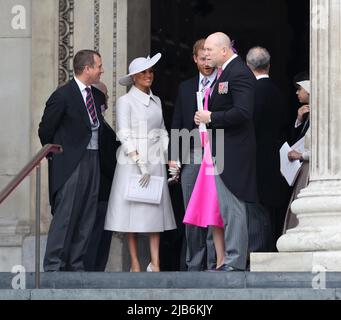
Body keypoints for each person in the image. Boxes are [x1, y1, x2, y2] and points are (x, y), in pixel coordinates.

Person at [38, 49, 119, 271]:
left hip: (94, 160)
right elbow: (45, 130)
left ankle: (76, 264)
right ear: (87, 69)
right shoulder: (63, 95)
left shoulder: (97, 96)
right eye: (99, 65)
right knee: (66, 214)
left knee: (87, 213)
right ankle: (54, 265)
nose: (102, 69)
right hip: (72, 161)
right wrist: (60, 154)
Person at [104, 53, 176, 272]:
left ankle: (156, 262)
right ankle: (135, 262)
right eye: (143, 72)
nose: (148, 75)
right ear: (134, 77)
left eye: (151, 71)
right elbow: (124, 133)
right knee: (131, 213)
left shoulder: (157, 101)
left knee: (154, 211)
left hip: (154, 160)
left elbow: (163, 130)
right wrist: (139, 162)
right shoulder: (125, 101)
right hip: (132, 161)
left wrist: (167, 158)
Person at [195, 32, 257, 271]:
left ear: (224, 50)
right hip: (223, 148)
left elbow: (243, 112)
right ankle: (233, 259)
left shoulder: (239, 73)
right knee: (226, 207)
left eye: (210, 49)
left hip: (234, 151)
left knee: (233, 206)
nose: (206, 53)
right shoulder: (226, 73)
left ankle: (234, 261)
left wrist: (211, 117)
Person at [168, 39, 217, 271]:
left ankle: (214, 263)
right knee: (192, 211)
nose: (207, 62)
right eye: (202, 57)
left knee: (215, 210)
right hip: (192, 152)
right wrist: (175, 159)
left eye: (210, 57)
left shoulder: (223, 83)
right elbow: (178, 121)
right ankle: (194, 264)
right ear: (195, 59)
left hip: (219, 151)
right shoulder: (186, 87)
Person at [246, 46, 289, 252]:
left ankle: (257, 252)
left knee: (257, 207)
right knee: (269, 206)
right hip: (274, 157)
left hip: (253, 159)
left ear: (247, 66)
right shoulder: (278, 91)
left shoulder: (251, 93)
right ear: (269, 65)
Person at [84, 81, 119, 271]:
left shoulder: (101, 124)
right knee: (94, 238)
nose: (106, 100)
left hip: (105, 193)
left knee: (102, 240)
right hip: (98, 192)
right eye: (103, 96)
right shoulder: (94, 126)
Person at [283, 79, 310, 232]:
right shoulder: (306, 112)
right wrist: (299, 120)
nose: (297, 92)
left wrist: (301, 155)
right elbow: (296, 139)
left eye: (300, 89)